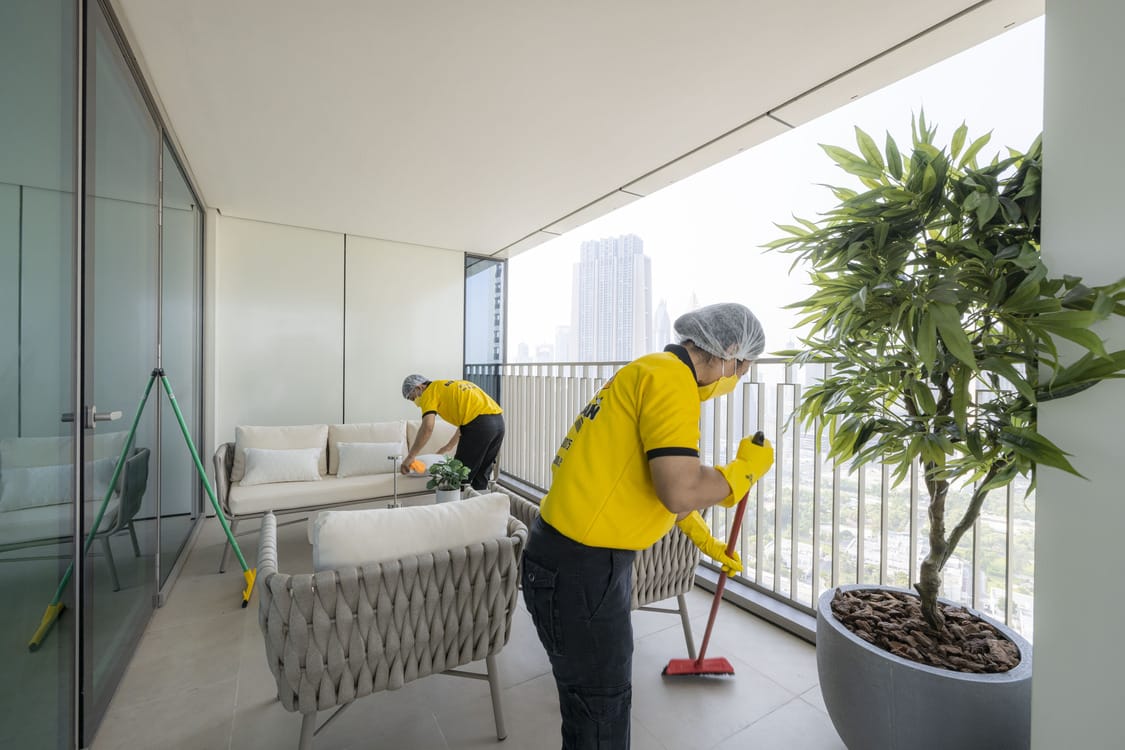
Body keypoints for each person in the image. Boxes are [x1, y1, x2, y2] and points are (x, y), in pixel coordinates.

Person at [521, 302, 776, 749]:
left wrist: (705, 540)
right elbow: (678, 489)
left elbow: (647, 484)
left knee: (591, 707)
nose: (738, 379)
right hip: (583, 567)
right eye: (743, 368)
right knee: (601, 713)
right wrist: (744, 471)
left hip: (570, 557)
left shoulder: (650, 370)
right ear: (728, 351)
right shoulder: (671, 380)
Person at [400, 375, 505, 491]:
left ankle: (456, 508)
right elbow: (465, 423)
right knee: (481, 476)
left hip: (480, 426)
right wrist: (446, 448)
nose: (415, 402)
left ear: (419, 388)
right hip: (498, 424)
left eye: (412, 397)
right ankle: (479, 507)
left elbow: (427, 427)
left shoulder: (429, 393)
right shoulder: (447, 385)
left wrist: (410, 456)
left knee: (457, 476)